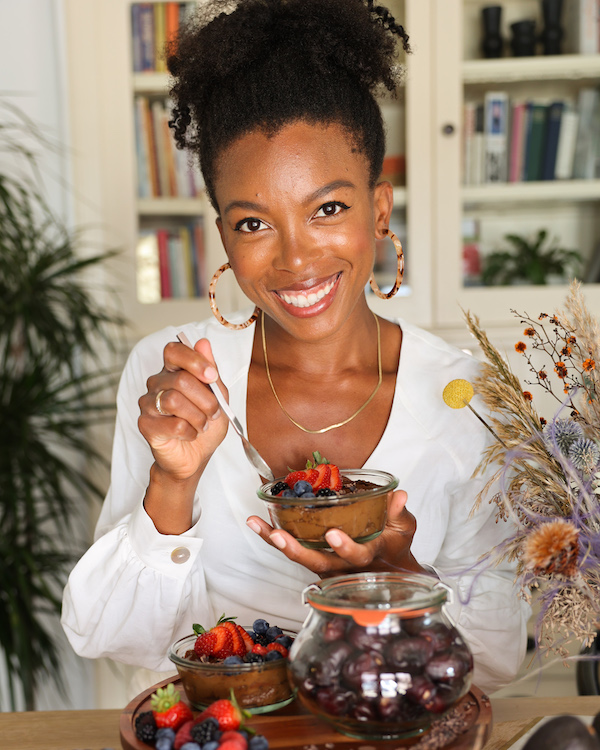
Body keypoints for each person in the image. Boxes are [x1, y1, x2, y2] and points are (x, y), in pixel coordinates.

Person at [61, 0, 529, 694]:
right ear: (223, 234)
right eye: (254, 222)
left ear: (378, 209)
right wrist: (172, 485)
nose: (296, 258)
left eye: (328, 209)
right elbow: (108, 637)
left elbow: (497, 660)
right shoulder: (174, 377)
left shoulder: (468, 402)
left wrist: (404, 587)